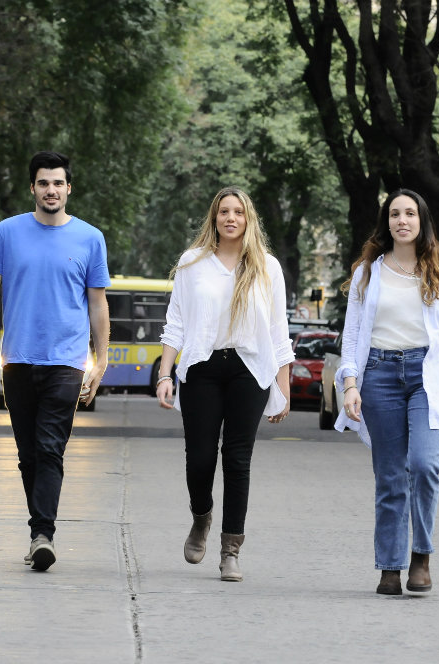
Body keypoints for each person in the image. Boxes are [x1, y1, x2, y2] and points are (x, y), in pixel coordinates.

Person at [334, 188, 439, 596]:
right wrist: (350, 384)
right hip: (378, 374)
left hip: (428, 375)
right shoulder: (368, 272)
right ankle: (390, 567)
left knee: (424, 464)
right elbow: (353, 335)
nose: (402, 220)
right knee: (391, 476)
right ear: (387, 222)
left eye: (410, 213)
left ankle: (421, 555)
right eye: (395, 214)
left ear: (421, 220)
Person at [0, 150, 110, 571]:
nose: (51, 190)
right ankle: (39, 529)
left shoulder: (90, 238)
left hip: (67, 361)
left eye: (58, 183)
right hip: (16, 359)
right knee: (28, 453)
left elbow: (97, 304)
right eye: (43, 183)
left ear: (69, 188)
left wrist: (100, 359)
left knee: (51, 447)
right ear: (32, 187)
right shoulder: (8, 232)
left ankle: (43, 534)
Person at [156, 186, 293, 582]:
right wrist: (165, 374)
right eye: (223, 212)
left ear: (249, 219)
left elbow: (277, 331)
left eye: (238, 212)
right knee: (199, 458)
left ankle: (230, 549)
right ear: (214, 218)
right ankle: (201, 515)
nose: (230, 218)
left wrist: (281, 386)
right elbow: (176, 322)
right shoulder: (192, 263)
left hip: (248, 370)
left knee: (237, 459)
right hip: (201, 368)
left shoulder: (268, 267)